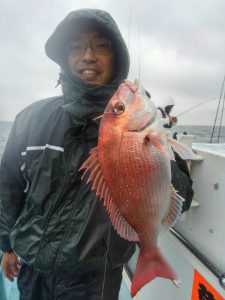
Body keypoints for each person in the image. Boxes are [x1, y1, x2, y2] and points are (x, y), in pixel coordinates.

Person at [0, 9, 135, 300]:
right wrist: (6, 246)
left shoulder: (136, 125)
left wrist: (157, 160)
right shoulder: (30, 118)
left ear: (118, 58)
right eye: (76, 46)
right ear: (65, 56)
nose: (88, 55)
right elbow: (8, 187)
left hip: (95, 279)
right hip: (34, 271)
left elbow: (179, 193)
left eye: (101, 45)